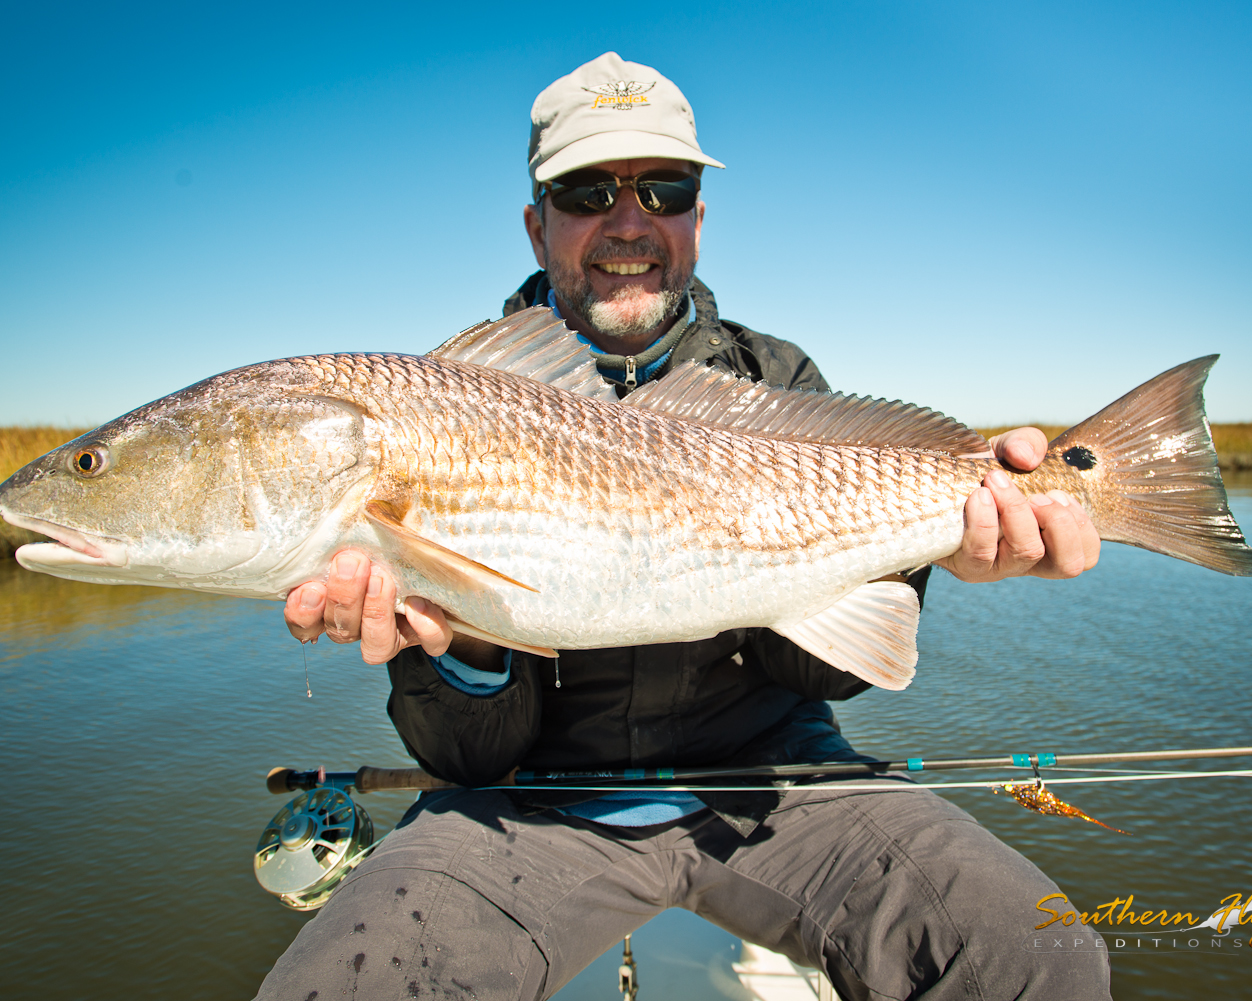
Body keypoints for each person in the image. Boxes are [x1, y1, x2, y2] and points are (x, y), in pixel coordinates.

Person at [257, 53, 1108, 1001]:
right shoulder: (448, 399)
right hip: (527, 805)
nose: (629, 220)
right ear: (537, 226)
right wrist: (462, 650)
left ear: (698, 218)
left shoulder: (777, 380)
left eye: (664, 187)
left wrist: (928, 556)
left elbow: (822, 673)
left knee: (1041, 955)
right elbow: (464, 758)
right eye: (586, 191)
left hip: (775, 785)